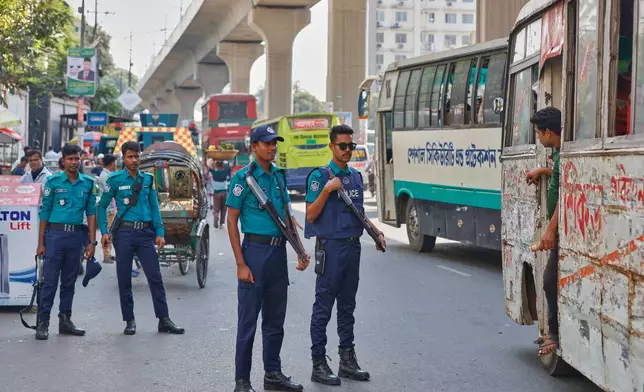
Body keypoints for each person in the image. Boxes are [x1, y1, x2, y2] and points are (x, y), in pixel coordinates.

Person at [226, 125, 308, 392]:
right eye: (267, 143)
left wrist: (300, 250)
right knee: (248, 321)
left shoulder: (278, 177)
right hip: (255, 252)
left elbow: (285, 216)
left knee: (275, 320)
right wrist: (240, 263)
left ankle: (272, 374)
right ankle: (242, 381)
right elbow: (231, 220)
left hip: (277, 254)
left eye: (275, 143)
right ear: (254, 147)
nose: (273, 148)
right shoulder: (243, 179)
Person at [304, 124, 386, 385]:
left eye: (351, 146)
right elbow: (311, 215)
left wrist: (376, 232)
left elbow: (359, 214)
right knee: (323, 307)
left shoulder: (355, 177)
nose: (348, 150)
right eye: (343, 146)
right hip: (330, 248)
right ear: (331, 146)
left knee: (347, 307)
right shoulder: (320, 177)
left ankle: (347, 360)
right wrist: (327, 190)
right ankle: (318, 362)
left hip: (352, 247)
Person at [98, 141, 184, 336]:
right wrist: (104, 231)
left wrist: (160, 233)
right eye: (130, 156)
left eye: (136, 156)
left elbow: (154, 207)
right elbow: (101, 206)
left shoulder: (148, 179)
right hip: (124, 234)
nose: (134, 160)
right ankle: (129, 320)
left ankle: (164, 319)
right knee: (124, 278)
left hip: (145, 234)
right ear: (123, 158)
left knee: (155, 277)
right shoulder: (115, 180)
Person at [35, 143, 97, 340]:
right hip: (54, 236)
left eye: (77, 159)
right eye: (70, 159)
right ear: (63, 160)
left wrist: (91, 243)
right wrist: (41, 242)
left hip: (75, 237)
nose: (74, 162)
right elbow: (44, 213)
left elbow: (91, 213)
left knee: (69, 282)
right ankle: (42, 323)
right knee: (50, 281)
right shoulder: (53, 182)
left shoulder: (88, 183)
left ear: (81, 159)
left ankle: (65, 321)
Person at [525, 107, 562, 357]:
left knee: (549, 282)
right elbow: (559, 176)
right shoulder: (559, 153)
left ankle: (554, 335)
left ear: (548, 131)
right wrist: (543, 171)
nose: (538, 137)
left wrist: (550, 230)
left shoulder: (565, 152)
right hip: (558, 229)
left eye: (539, 133)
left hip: (560, 230)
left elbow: (566, 192)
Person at [97, 154, 117, 263]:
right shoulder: (105, 176)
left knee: (110, 232)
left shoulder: (109, 174)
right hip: (108, 208)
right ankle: (106, 255)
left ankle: (108, 253)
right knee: (107, 232)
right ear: (111, 163)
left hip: (111, 207)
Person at [210, 159, 231, 229]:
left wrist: (212, 162)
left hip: (216, 193)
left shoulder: (214, 172)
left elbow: (208, 167)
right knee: (223, 209)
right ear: (222, 165)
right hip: (224, 193)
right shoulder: (225, 172)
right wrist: (226, 161)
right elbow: (229, 168)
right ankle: (221, 223)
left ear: (216, 165)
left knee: (216, 209)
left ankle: (216, 217)